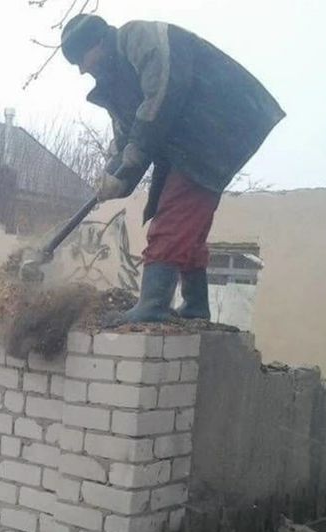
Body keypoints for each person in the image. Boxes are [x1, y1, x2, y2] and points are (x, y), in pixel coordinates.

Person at [61, 15, 284, 323]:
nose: (82, 70)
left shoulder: (140, 37)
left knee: (174, 214)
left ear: (98, 41)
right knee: (187, 221)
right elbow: (129, 140)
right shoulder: (117, 81)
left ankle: (152, 306)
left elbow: (163, 93)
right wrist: (114, 177)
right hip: (187, 136)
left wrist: (133, 154)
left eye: (80, 59)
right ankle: (195, 305)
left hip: (216, 123)